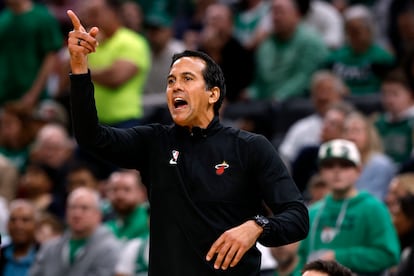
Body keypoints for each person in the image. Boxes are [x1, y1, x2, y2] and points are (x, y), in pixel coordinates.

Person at [66, 9, 309, 275]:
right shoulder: (154, 142)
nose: (175, 87)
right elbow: (91, 137)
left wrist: (258, 225)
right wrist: (79, 68)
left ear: (213, 94)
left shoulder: (250, 147)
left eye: (187, 79)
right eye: (171, 81)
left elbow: (297, 217)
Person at [298, 139, 400, 274]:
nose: (337, 171)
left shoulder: (373, 208)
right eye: (329, 165)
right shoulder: (313, 212)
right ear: (321, 171)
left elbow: (389, 254)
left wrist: (339, 257)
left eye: (345, 165)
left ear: (359, 170)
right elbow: (301, 258)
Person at [29, 187, 121, 276]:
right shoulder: (49, 248)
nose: (77, 214)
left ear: (98, 214)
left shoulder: (109, 249)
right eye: (72, 207)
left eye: (84, 208)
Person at [0, 0, 63, 108]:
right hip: (5, 93)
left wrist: (34, 93)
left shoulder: (42, 17)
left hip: (32, 95)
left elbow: (51, 57)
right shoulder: (3, 18)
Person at [105, 169, 149, 241]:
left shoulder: (149, 222)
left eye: (126, 189)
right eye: (115, 189)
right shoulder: (105, 224)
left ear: (141, 193)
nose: (120, 195)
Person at [0, 200, 39, 276]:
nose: (18, 226)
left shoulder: (44, 255)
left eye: (25, 220)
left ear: (36, 225)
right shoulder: (1, 254)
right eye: (13, 220)